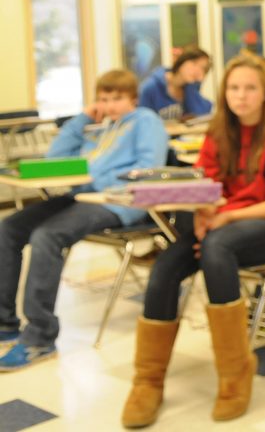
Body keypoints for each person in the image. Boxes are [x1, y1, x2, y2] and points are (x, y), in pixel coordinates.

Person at [121, 55, 265, 427]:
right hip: (222, 226)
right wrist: (203, 215)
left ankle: (234, 374)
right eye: (233, 88)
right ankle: (147, 381)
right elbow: (206, 187)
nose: (240, 96)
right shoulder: (219, 132)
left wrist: (225, 218)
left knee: (217, 248)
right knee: (165, 267)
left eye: (250, 88)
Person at [0, 70, 167, 371]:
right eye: (103, 99)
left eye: (116, 98)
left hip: (120, 202)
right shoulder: (101, 129)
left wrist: (93, 178)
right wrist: (80, 121)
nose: (110, 105)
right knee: (9, 228)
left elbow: (147, 170)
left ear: (133, 99)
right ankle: (5, 322)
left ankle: (40, 337)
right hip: (85, 197)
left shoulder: (146, 121)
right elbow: (56, 159)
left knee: (46, 235)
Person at [138, 48, 213, 121]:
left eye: (203, 68)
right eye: (194, 63)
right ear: (182, 61)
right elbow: (142, 121)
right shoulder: (151, 87)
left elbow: (203, 114)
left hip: (184, 133)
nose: (197, 70)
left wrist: (197, 84)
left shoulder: (189, 87)